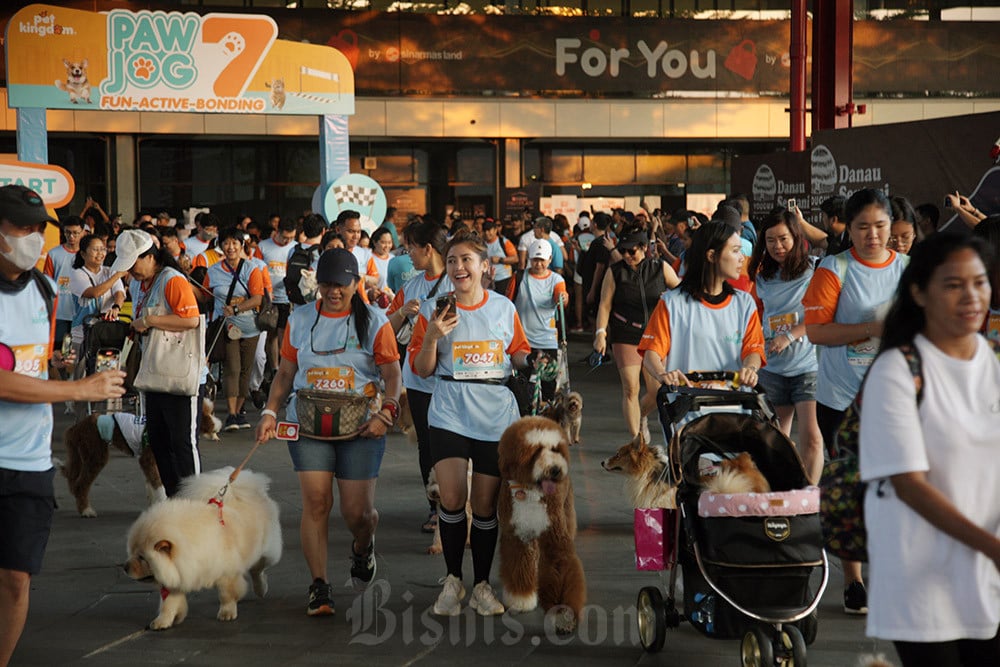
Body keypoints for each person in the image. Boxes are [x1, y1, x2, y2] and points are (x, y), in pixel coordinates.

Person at [859, 233, 1000, 667]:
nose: (971, 296)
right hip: (921, 577)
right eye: (953, 285)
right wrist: (993, 547)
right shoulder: (897, 371)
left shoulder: (992, 362)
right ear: (919, 292)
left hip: (986, 576)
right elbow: (909, 485)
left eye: (979, 282)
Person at [0, 186, 125, 667]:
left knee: (16, 579)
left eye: (39, 229)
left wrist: (58, 366)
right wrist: (78, 390)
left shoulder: (45, 289)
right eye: (21, 228)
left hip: (29, 461)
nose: (32, 239)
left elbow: (33, 367)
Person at [255, 248, 401, 617]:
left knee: (358, 514)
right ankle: (319, 586)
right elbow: (285, 373)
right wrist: (271, 411)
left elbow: (392, 374)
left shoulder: (376, 320)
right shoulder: (300, 319)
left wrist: (387, 411)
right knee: (316, 503)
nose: (333, 291)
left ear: (355, 283)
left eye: (341, 284)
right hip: (308, 425)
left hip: (363, 427)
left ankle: (362, 544)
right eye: (326, 284)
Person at [409, 230, 530, 617]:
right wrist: (431, 336)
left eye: (466, 260)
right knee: (450, 498)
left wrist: (535, 363)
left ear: (484, 267)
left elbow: (519, 353)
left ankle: (481, 585)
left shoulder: (502, 308)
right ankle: (451, 581)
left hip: (495, 415)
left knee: (484, 505)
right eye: (453, 260)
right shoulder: (435, 309)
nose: (459, 267)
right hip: (449, 411)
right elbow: (422, 369)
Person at [802, 187, 910, 615]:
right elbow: (816, 332)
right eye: (863, 227)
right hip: (842, 397)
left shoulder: (907, 268)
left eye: (880, 226)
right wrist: (870, 329)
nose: (873, 235)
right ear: (849, 228)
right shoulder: (835, 268)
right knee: (851, 486)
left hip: (896, 396)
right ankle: (854, 581)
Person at [110, 229, 201, 498]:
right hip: (153, 372)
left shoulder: (172, 280)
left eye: (134, 264)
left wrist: (149, 321)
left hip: (177, 373)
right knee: (159, 440)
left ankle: (193, 501)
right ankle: (174, 499)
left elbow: (191, 320)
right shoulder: (140, 283)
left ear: (150, 257)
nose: (131, 272)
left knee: (181, 442)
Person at [639, 221, 765, 389]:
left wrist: (750, 369)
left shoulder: (744, 303)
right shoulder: (672, 303)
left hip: (735, 407)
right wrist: (662, 374)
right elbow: (652, 353)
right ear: (711, 256)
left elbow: (753, 349)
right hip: (688, 409)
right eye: (735, 251)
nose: (742, 257)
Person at [747, 210, 823, 484]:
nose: (777, 246)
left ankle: (809, 498)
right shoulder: (762, 277)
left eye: (784, 239)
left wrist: (790, 336)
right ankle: (781, 494)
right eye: (770, 240)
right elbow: (760, 316)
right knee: (776, 439)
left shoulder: (816, 268)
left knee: (812, 437)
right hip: (773, 368)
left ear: (797, 237)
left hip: (808, 366)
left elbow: (821, 314)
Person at [385, 221, 451, 534]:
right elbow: (385, 330)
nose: (407, 253)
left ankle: (456, 504)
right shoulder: (410, 287)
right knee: (427, 445)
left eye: (411, 246)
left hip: (453, 381)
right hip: (419, 382)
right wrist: (402, 314)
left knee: (453, 444)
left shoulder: (458, 282)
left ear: (428, 248)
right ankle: (435, 507)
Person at [593, 230, 680, 439]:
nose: (626, 255)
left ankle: (642, 416)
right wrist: (600, 333)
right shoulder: (615, 272)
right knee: (630, 388)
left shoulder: (660, 267)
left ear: (644, 249)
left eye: (631, 251)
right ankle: (636, 441)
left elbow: (681, 292)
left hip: (655, 335)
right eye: (622, 251)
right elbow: (604, 305)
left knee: (656, 390)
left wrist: (669, 297)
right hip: (625, 332)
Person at [204, 227, 265, 431]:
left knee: (246, 371)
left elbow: (258, 298)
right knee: (233, 368)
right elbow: (205, 295)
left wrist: (237, 307)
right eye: (226, 243)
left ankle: (239, 412)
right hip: (226, 326)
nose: (230, 247)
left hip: (251, 326)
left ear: (241, 246)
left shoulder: (252, 269)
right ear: (221, 246)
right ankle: (231, 414)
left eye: (235, 243)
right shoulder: (213, 271)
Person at [514, 239, 569, 402]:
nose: (538, 264)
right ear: (529, 259)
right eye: (535, 260)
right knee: (523, 390)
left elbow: (561, 298)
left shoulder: (556, 279)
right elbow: (507, 303)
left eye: (542, 260)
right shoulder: (518, 278)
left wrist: (563, 298)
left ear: (550, 259)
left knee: (547, 391)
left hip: (547, 342)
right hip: (523, 344)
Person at [68, 234, 127, 358]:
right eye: (95, 249)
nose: (100, 253)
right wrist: (117, 276)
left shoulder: (109, 271)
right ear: (83, 254)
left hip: (107, 332)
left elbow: (119, 293)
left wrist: (116, 307)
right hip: (83, 333)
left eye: (102, 249)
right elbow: (94, 293)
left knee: (106, 367)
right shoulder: (77, 274)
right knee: (82, 372)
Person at [258, 218, 298, 380]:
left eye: (291, 237)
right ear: (277, 231)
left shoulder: (295, 248)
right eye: (285, 237)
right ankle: (274, 368)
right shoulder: (263, 246)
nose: (288, 241)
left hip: (286, 298)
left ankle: (284, 368)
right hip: (268, 298)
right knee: (271, 334)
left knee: (284, 334)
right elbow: (257, 269)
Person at [368, 227, 395, 307]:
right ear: (374, 242)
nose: (387, 246)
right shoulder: (368, 257)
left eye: (389, 242)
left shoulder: (393, 258)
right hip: (374, 304)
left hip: (391, 304)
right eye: (383, 242)